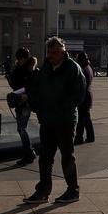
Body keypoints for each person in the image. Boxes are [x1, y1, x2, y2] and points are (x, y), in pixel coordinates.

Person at [22, 37, 86, 204]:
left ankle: (73, 190)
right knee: (45, 157)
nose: (51, 55)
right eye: (49, 52)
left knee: (67, 156)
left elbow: (78, 94)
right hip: (48, 119)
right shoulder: (46, 68)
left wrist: (60, 107)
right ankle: (43, 190)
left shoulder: (73, 68)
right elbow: (38, 90)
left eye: (55, 52)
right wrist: (34, 104)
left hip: (65, 120)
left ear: (63, 51)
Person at [7, 47, 37, 166]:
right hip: (19, 102)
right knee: (21, 128)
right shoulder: (19, 69)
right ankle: (29, 152)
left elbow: (34, 87)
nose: (18, 61)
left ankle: (29, 153)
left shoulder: (31, 70)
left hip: (25, 103)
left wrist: (27, 94)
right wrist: (10, 79)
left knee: (21, 128)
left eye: (20, 59)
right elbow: (15, 85)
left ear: (24, 58)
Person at [74, 51, 96, 145]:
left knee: (81, 119)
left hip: (84, 95)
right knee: (86, 118)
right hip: (88, 94)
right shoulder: (89, 67)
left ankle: (79, 138)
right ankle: (90, 136)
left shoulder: (82, 68)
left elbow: (80, 83)